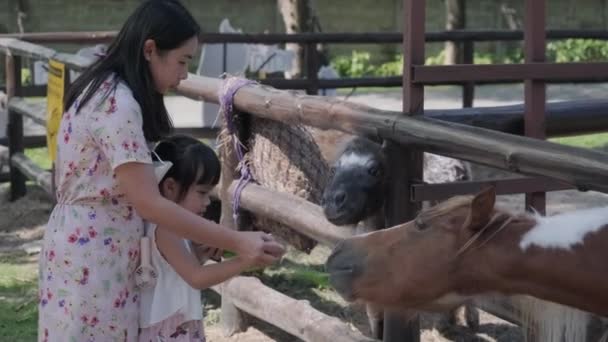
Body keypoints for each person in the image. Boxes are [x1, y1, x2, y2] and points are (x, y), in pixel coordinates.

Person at [38, 1, 284, 341]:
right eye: (182, 60)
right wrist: (237, 241)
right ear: (150, 50)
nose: (185, 73)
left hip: (94, 249)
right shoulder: (117, 104)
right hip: (93, 259)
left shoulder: (104, 87)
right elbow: (149, 203)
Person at [139, 135, 266, 341]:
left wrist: (199, 255)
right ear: (170, 187)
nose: (207, 202)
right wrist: (244, 260)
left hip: (176, 323)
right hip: (169, 329)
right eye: (202, 193)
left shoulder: (174, 228)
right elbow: (196, 278)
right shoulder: (165, 228)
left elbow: (175, 273)